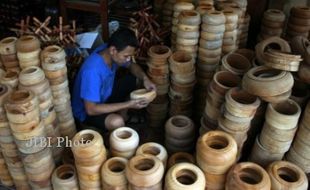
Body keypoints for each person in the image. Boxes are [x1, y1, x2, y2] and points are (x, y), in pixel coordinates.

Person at [72, 28, 156, 131]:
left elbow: (131, 65)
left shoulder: (108, 51)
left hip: (104, 96)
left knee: (135, 79)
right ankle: (112, 134)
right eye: (126, 56)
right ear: (113, 50)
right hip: (87, 111)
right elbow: (91, 109)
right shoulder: (92, 71)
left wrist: (145, 78)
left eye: (130, 56)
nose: (128, 59)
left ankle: (124, 116)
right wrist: (129, 104)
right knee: (117, 122)